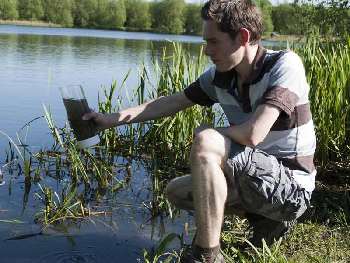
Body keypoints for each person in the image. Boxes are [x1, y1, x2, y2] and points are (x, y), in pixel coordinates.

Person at [83, 0, 316, 262]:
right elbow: (170, 102)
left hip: (291, 190)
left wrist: (208, 135)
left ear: (243, 37)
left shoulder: (285, 65)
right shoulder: (220, 77)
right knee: (177, 191)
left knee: (208, 142)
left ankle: (206, 256)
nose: (206, 50)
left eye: (213, 41)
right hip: (256, 178)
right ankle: (264, 219)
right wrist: (108, 120)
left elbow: (254, 134)